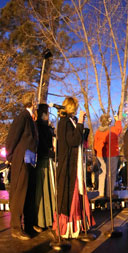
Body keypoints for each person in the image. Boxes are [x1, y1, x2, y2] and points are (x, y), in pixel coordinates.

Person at [54, 97, 94, 238]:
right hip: (68, 166)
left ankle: (78, 224)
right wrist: (81, 123)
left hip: (74, 164)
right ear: (71, 107)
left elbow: (77, 139)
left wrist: (82, 128)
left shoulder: (70, 121)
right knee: (71, 194)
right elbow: (72, 140)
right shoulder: (64, 122)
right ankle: (68, 227)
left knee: (76, 193)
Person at [5, 91, 39, 240]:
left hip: (30, 159)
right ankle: (16, 228)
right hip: (21, 159)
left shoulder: (31, 119)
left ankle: (29, 224)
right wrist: (10, 156)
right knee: (19, 194)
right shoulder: (22, 117)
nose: (36, 102)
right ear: (31, 102)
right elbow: (12, 137)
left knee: (29, 193)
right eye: (35, 100)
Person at [34, 103, 56, 231]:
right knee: (42, 190)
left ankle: (48, 218)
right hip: (42, 160)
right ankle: (41, 219)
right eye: (47, 113)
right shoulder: (39, 127)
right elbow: (41, 143)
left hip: (47, 159)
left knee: (47, 190)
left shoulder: (45, 127)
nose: (48, 115)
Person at [93, 114, 122, 198]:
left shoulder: (98, 131)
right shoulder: (112, 130)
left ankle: (101, 192)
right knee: (111, 173)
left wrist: (96, 153)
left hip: (100, 154)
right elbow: (119, 129)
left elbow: (95, 143)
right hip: (111, 154)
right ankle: (110, 193)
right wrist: (117, 120)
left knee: (102, 172)